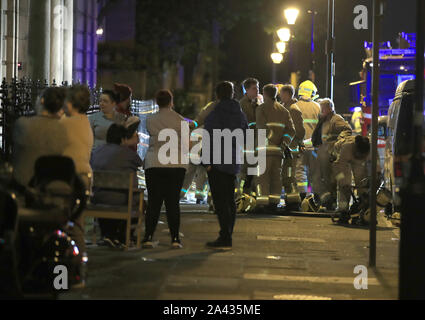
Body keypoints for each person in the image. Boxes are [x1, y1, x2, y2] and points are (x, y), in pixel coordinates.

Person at [203, 81, 248, 249]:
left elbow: (208, 137)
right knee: (229, 199)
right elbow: (244, 135)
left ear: (217, 95)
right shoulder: (240, 114)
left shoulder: (216, 112)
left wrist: (206, 162)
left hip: (216, 161)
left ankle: (225, 235)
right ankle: (228, 234)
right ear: (233, 94)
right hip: (232, 160)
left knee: (220, 201)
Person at [142, 90, 189, 249]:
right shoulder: (181, 121)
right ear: (171, 101)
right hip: (176, 164)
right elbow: (186, 145)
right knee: (172, 202)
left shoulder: (150, 119)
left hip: (154, 163)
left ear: (157, 102)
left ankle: (148, 236)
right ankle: (175, 238)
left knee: (154, 202)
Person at [90, 124, 143, 248]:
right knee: (139, 202)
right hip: (122, 200)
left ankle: (107, 235)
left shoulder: (96, 151)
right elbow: (139, 163)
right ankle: (123, 237)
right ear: (123, 139)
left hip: (97, 199)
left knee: (106, 197)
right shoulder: (128, 153)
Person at [12, 87, 69, 187]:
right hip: (47, 186)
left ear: (42, 100)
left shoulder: (22, 123)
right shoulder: (63, 129)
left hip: (22, 184)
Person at [255, 84, 295, 212]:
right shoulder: (284, 110)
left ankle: (262, 203)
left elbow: (262, 128)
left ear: (265, 94)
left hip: (264, 149)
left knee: (262, 178)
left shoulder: (261, 109)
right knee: (276, 178)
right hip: (278, 152)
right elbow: (291, 131)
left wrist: (272, 138)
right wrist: (283, 143)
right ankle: (274, 203)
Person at [312, 98, 352, 208]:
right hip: (323, 155)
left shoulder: (336, 119)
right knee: (323, 179)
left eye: (323, 109)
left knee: (332, 179)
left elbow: (347, 129)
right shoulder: (324, 121)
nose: (321, 111)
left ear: (329, 108)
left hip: (331, 155)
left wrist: (338, 143)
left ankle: (333, 203)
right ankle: (327, 201)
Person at [331, 135, 377, 222]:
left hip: (356, 160)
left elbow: (375, 167)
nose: (360, 157)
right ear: (355, 149)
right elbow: (338, 170)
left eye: (362, 156)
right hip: (340, 157)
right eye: (359, 155)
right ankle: (343, 210)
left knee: (362, 183)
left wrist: (371, 181)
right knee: (344, 186)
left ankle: (361, 209)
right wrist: (343, 184)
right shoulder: (346, 148)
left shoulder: (371, 150)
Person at [61, 84, 94, 189]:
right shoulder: (84, 120)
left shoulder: (65, 123)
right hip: (85, 175)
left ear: (70, 103)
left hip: (69, 177)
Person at [295, 80, 321, 200]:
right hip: (313, 144)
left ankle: (302, 195)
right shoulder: (317, 107)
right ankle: (315, 196)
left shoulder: (294, 106)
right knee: (314, 171)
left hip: (299, 144)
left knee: (300, 169)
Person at [279, 84, 305, 199]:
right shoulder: (286, 107)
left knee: (290, 175)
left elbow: (299, 131)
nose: (280, 96)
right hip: (287, 148)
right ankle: (291, 199)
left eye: (282, 94)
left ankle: (293, 200)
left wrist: (292, 141)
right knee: (286, 175)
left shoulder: (293, 109)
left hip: (291, 148)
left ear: (287, 94)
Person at [239, 78, 263, 194]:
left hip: (256, 141)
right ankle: (240, 192)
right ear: (247, 90)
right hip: (246, 141)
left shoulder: (258, 104)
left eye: (258, 88)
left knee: (254, 170)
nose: (257, 91)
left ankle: (250, 193)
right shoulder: (242, 104)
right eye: (254, 88)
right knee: (244, 170)